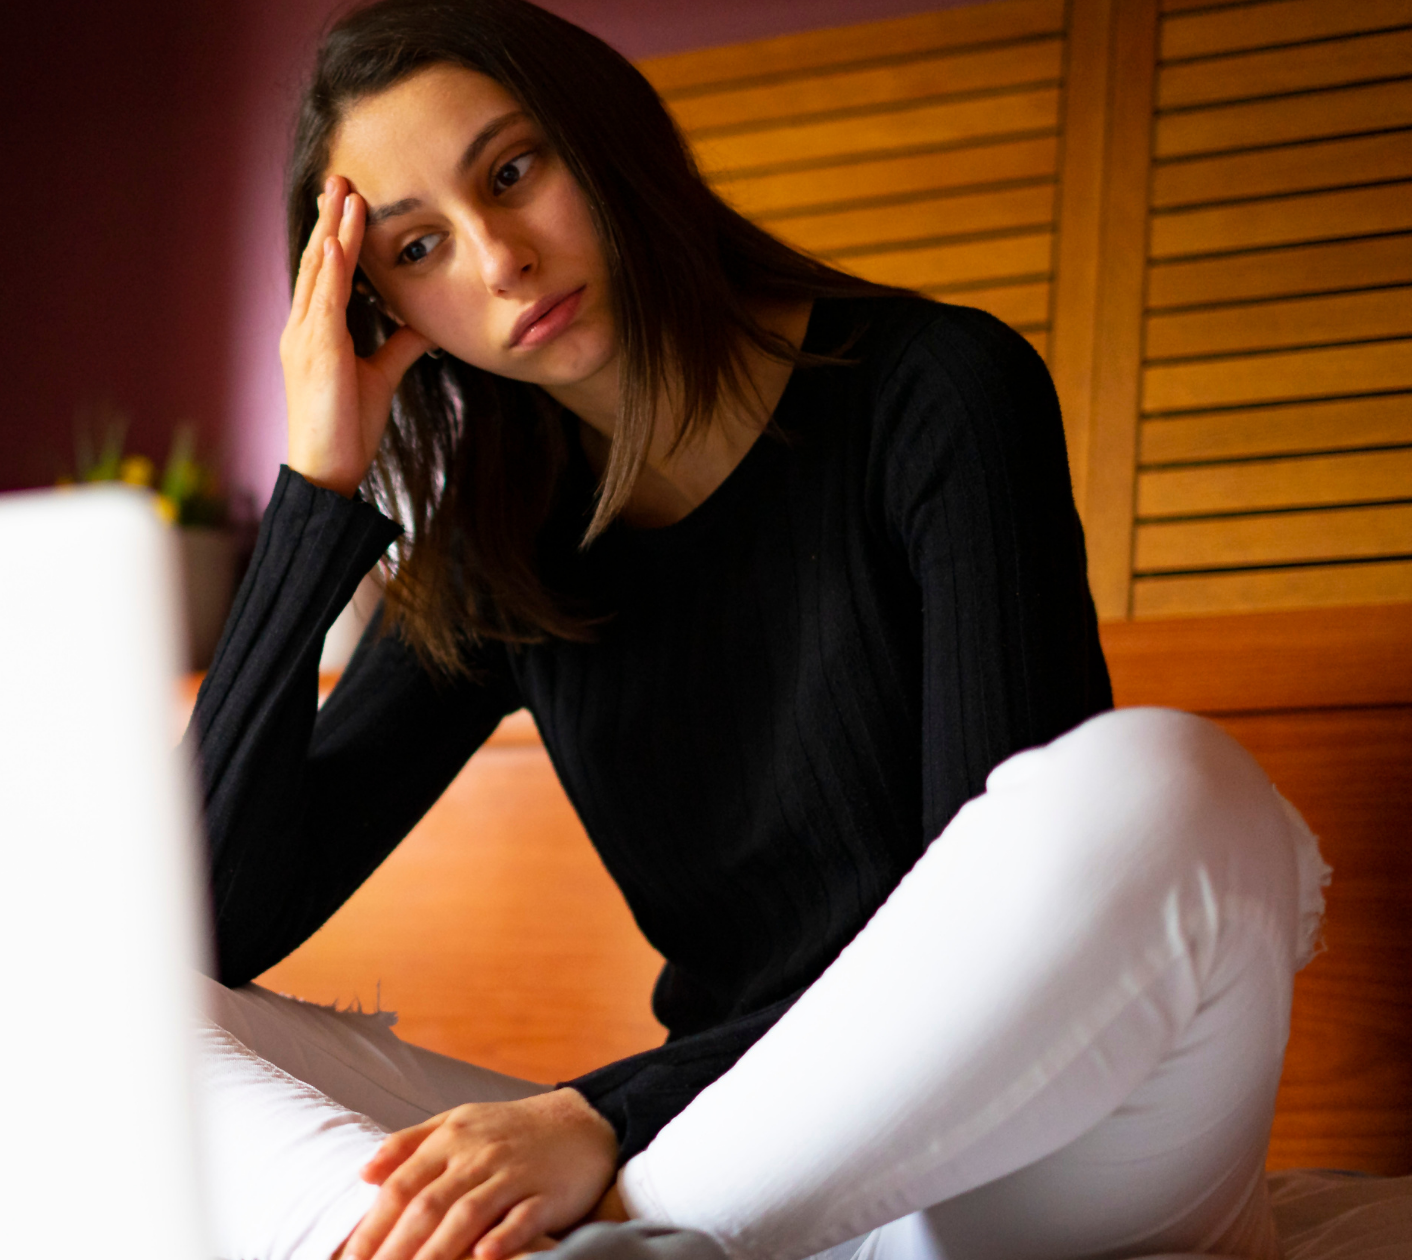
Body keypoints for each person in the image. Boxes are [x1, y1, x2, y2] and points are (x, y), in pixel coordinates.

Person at [182, 2, 1328, 1259]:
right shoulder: (500, 544)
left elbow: (987, 919)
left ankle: (619, 1237)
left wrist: (604, 1127)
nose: (497, 260)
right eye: (416, 249)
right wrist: (318, 487)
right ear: (376, 306)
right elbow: (201, 928)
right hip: (726, 1155)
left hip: (1022, 1149)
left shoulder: (935, 391)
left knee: (1158, 786)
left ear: (607, 141)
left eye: (512, 172)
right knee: (119, 1001)